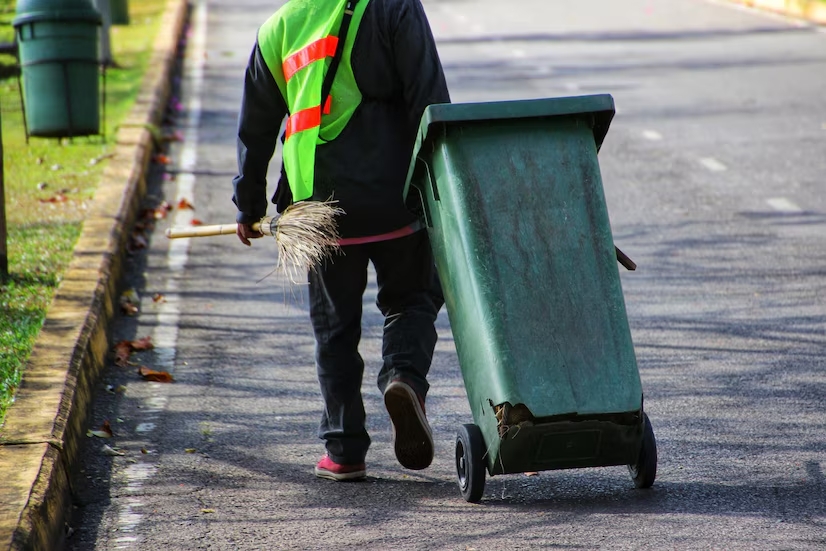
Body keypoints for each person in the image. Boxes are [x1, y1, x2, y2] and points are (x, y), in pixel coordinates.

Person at [231, 0, 451, 481]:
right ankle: (402, 377)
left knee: (334, 330)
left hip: (319, 212)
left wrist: (248, 206)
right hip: (398, 201)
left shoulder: (280, 28)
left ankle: (344, 450)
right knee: (413, 299)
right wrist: (444, 187)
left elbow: (256, 128)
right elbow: (430, 103)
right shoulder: (396, 8)